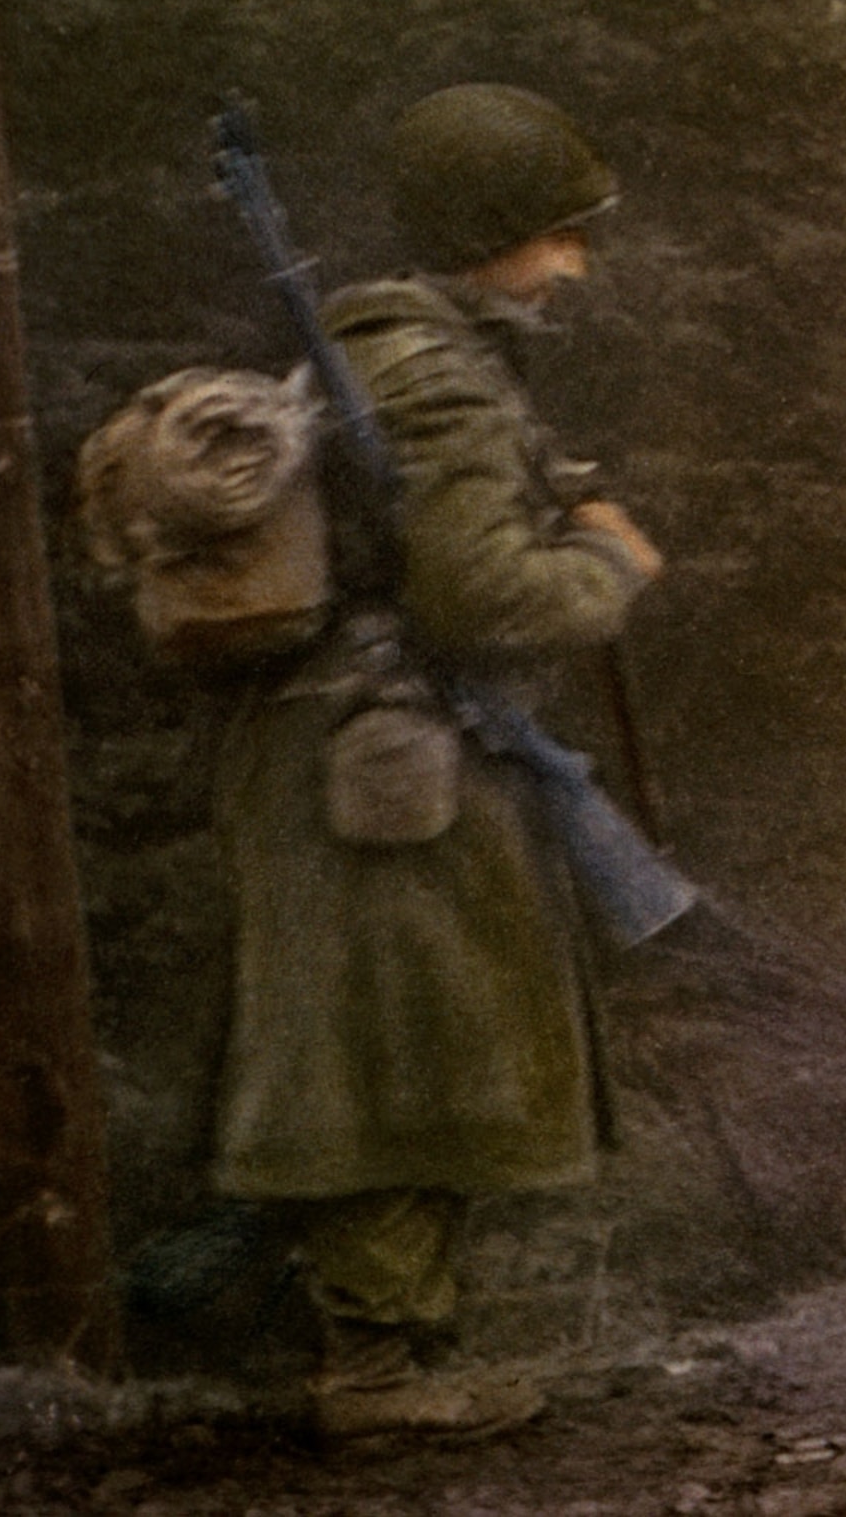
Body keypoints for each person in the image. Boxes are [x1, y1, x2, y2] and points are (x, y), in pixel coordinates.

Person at [208, 84, 665, 1440]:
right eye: (556, 235)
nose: (575, 264)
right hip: (384, 762)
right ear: (491, 233)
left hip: (370, 748)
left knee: (411, 1033)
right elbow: (483, 599)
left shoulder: (412, 354)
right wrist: (608, 563)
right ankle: (377, 1375)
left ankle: (398, 1345)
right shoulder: (435, 369)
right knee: (401, 1047)